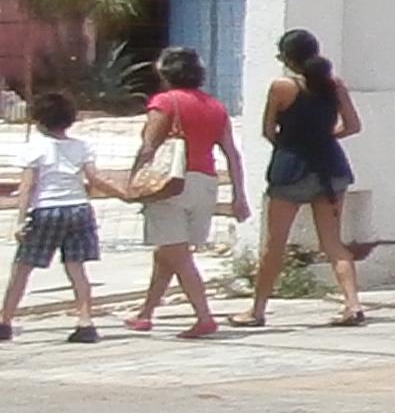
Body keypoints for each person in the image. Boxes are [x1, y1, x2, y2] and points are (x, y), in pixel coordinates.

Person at [249, 25, 367, 329]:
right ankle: (353, 304)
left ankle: (257, 310)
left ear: (288, 58)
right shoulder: (334, 84)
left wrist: (291, 146)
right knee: (333, 243)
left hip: (290, 169)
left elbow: (267, 130)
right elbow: (353, 126)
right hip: (330, 168)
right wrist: (326, 137)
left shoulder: (282, 88)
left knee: (275, 243)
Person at [124, 43, 246, 337]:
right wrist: (239, 195)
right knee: (168, 252)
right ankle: (146, 312)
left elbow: (149, 146)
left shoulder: (164, 103)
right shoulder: (216, 106)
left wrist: (133, 181)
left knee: (176, 255)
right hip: (205, 183)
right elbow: (232, 154)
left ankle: (204, 316)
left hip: (171, 184)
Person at [4, 85, 122, 344]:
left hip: (46, 210)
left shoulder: (34, 147)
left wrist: (21, 219)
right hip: (79, 208)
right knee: (76, 268)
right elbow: (93, 178)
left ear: (37, 119)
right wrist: (123, 193)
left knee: (23, 268)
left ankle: (5, 320)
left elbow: (28, 186)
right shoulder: (82, 146)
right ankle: (85, 320)